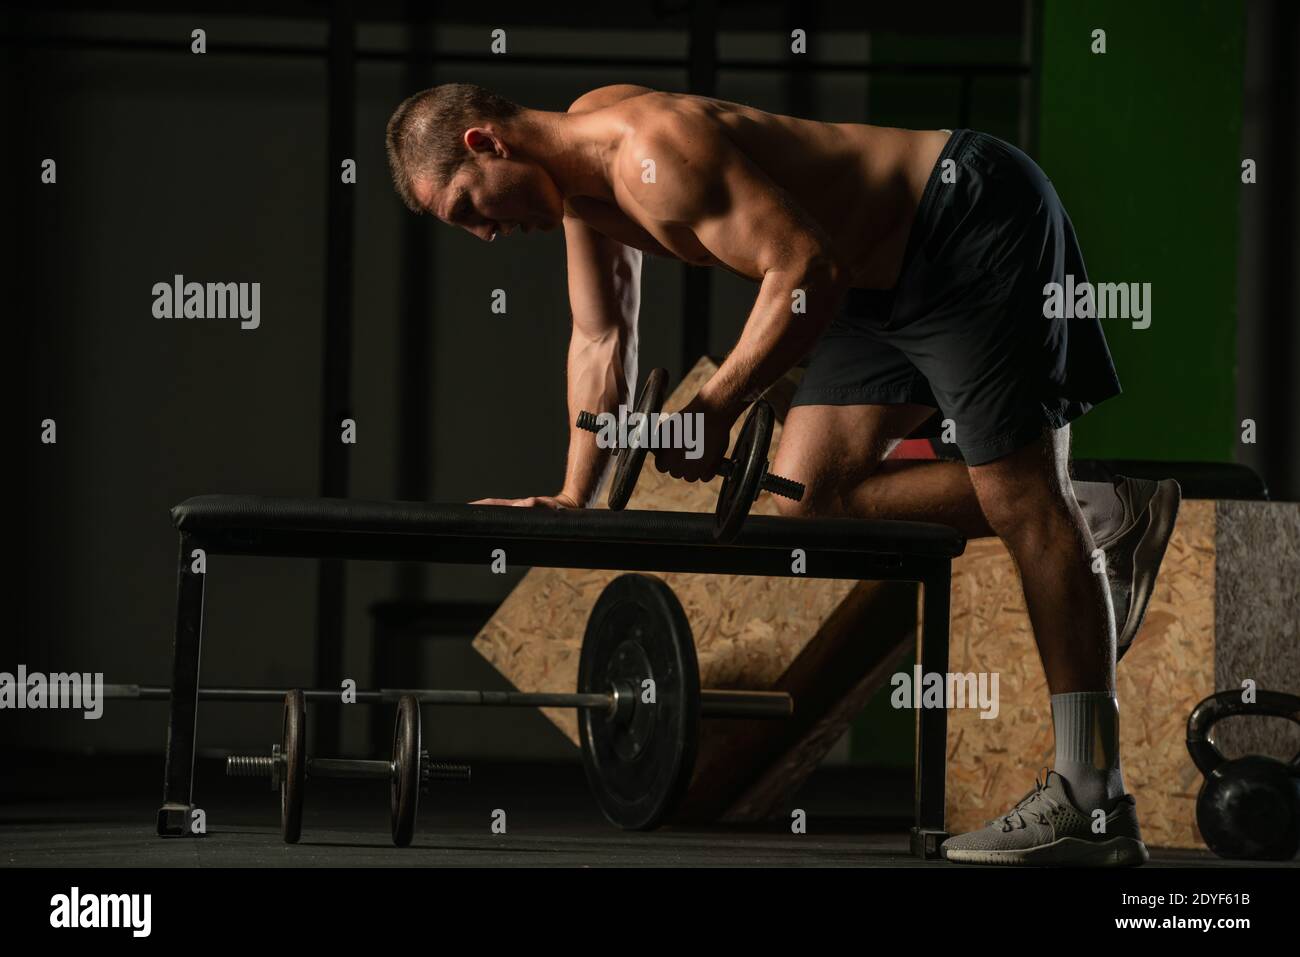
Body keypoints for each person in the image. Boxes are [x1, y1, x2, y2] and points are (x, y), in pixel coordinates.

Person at [385, 83, 1181, 866]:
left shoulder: (653, 150)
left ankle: (1092, 796)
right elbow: (599, 339)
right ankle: (1088, 508)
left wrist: (716, 407)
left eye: (468, 209)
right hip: (872, 281)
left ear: (484, 143)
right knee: (807, 502)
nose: (485, 234)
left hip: (961, 220)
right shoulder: (582, 182)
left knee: (1019, 503)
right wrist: (571, 494)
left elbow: (804, 268)